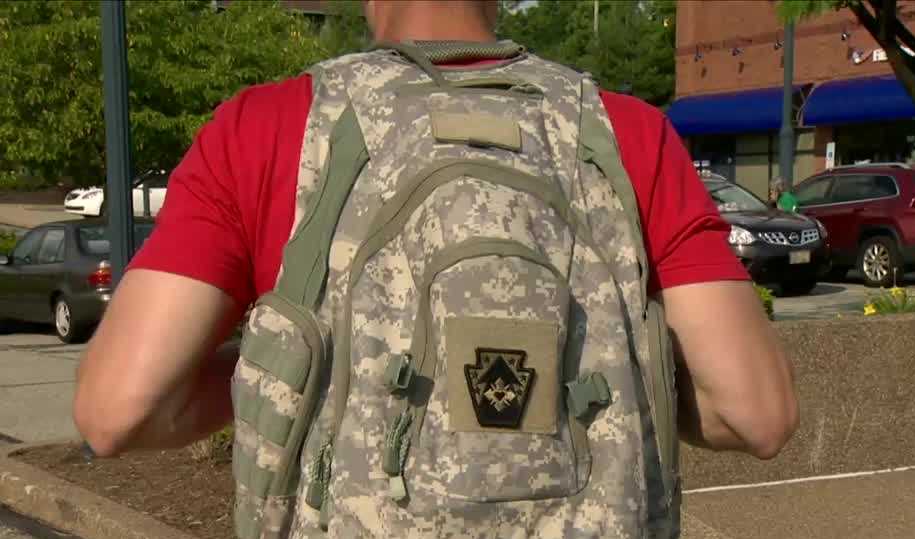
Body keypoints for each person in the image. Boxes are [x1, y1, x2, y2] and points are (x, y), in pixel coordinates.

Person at [74, 0, 797, 535]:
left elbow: (117, 410)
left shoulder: (264, 129)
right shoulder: (627, 133)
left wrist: (295, 375)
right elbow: (755, 411)